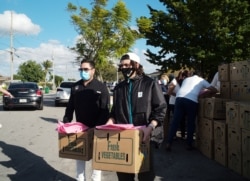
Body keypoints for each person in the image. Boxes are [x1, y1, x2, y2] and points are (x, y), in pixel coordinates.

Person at [106, 52, 167, 181]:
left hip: (144, 137)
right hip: (123, 137)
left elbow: (161, 108)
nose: (123, 68)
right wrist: (110, 121)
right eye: (121, 65)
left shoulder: (149, 84)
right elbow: (114, 111)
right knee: (124, 174)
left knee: (145, 174)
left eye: (127, 65)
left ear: (136, 64)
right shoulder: (118, 88)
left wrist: (151, 127)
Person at [63, 59, 110, 181]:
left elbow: (105, 110)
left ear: (93, 71)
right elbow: (70, 107)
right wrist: (66, 123)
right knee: (80, 157)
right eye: (81, 69)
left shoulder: (102, 87)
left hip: (97, 129)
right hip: (80, 130)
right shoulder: (75, 87)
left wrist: (98, 127)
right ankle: (80, 178)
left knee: (96, 158)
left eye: (85, 69)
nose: (83, 71)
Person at [166, 71, 217, 151]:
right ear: (200, 76)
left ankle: (169, 143)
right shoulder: (201, 80)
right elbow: (214, 89)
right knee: (190, 122)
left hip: (179, 98)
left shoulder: (187, 79)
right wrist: (210, 93)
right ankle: (189, 144)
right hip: (191, 101)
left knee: (175, 121)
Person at [167, 70, 189, 139]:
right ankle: (173, 134)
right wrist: (178, 95)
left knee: (183, 119)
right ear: (180, 75)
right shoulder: (174, 81)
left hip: (182, 102)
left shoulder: (186, 82)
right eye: (183, 76)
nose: (183, 78)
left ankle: (183, 134)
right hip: (174, 102)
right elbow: (169, 92)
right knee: (175, 119)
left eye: (185, 76)